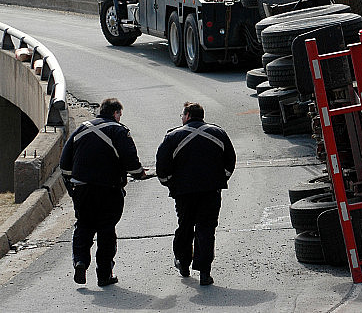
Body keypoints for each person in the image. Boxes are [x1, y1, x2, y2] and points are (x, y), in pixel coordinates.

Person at [59, 97, 151, 287]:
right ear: (116, 113)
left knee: (83, 226)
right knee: (106, 230)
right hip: (109, 190)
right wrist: (139, 173)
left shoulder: (81, 129)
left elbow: (65, 163)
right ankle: (104, 274)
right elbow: (130, 160)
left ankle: (80, 261)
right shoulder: (119, 130)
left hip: (82, 189)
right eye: (120, 114)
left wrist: (72, 187)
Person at [156, 102, 236, 286]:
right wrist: (219, 180)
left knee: (185, 226)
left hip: (184, 193)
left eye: (182, 115)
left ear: (188, 115)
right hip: (211, 191)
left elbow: (162, 165)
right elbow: (230, 160)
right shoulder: (218, 133)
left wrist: (170, 184)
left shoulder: (173, 136)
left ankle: (183, 263)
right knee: (206, 229)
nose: (182, 119)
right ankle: (204, 272)